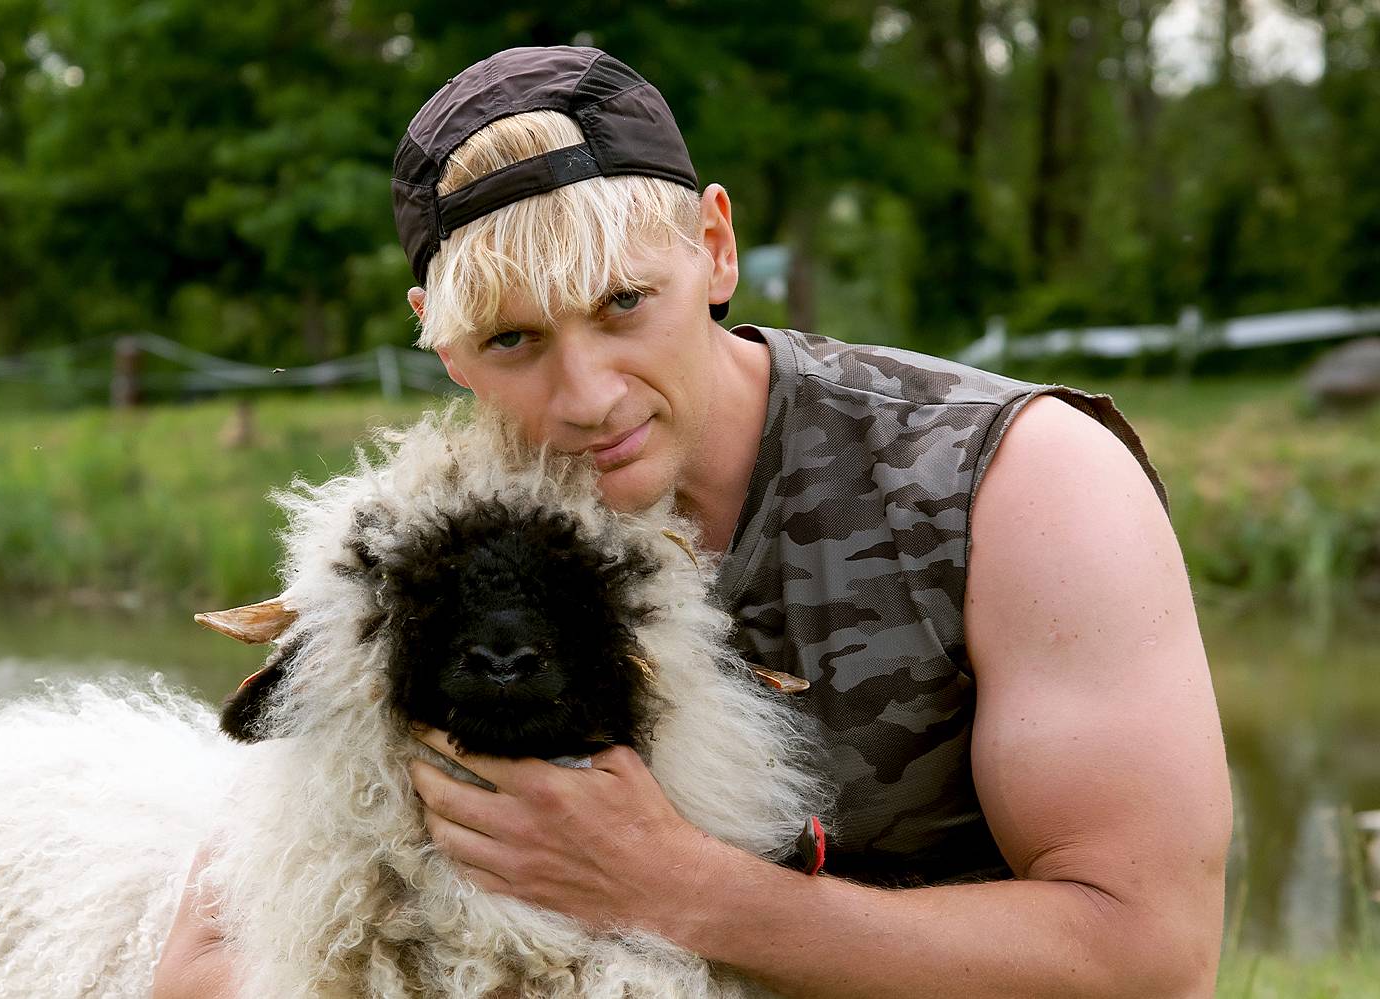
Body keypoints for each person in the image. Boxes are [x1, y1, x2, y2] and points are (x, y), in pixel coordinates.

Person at [155, 46, 1232, 997]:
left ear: (715, 247)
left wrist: (678, 889)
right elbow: (201, 970)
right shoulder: (441, 548)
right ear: (442, 344)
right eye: (512, 340)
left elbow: (1150, 957)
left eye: (624, 303)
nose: (587, 396)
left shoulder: (1015, 484)